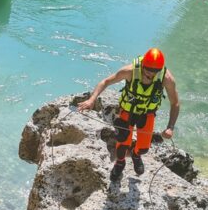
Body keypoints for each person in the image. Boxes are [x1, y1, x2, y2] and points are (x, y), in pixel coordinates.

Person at [77, 48, 180, 181]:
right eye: (148, 69)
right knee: (122, 144)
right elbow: (106, 82)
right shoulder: (130, 71)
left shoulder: (167, 79)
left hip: (147, 114)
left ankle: (136, 155)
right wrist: (92, 99)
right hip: (127, 111)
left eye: (155, 71)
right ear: (143, 65)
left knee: (144, 148)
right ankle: (120, 163)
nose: (151, 74)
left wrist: (170, 127)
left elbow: (175, 103)